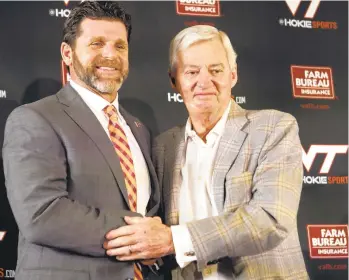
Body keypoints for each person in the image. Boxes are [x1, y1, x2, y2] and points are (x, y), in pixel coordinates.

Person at [103, 25, 309, 279]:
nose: (204, 82)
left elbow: (270, 219)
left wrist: (174, 239)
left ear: (233, 75)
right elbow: (155, 228)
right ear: (174, 81)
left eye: (216, 70)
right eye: (191, 72)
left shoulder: (273, 128)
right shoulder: (163, 146)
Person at [2, 1, 160, 280]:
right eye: (97, 43)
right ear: (67, 53)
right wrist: (141, 235)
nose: (110, 55)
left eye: (120, 46)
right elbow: (42, 214)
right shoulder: (34, 118)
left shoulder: (138, 129)